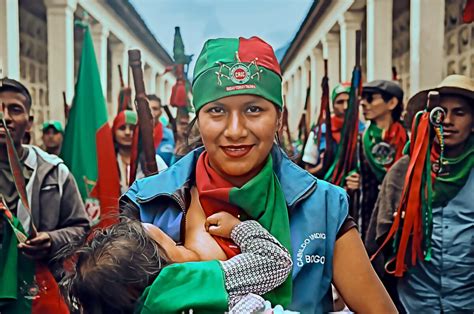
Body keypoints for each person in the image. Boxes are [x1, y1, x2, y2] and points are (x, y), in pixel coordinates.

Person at [121, 37, 396, 313]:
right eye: (217, 111)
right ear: (199, 118)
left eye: (254, 109)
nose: (236, 130)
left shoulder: (324, 207)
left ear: (278, 117)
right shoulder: (147, 203)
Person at [366, 74, 474, 313]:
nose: (447, 120)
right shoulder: (405, 170)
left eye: (459, 113)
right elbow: (376, 242)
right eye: (440, 112)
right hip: (413, 302)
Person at [61, 207, 293, 313]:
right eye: (173, 243)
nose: (181, 243)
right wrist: (238, 228)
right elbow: (275, 262)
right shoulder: (177, 283)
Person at [0, 78, 90, 312]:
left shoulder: (53, 171)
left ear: (29, 123)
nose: (5, 117)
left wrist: (52, 240)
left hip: (40, 293)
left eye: (15, 109)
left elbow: (81, 227)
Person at [345, 80, 407, 235]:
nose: (364, 104)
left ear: (392, 103)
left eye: (370, 98)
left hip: (399, 214)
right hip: (366, 217)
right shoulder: (358, 140)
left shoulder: (409, 140)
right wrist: (349, 184)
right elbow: (344, 175)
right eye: (362, 99)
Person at [302, 82, 365, 177]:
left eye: (349, 101)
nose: (345, 107)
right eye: (340, 102)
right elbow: (306, 172)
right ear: (333, 104)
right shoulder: (319, 133)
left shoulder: (364, 131)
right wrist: (321, 166)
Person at [112, 110, 167, 193]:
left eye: (132, 128)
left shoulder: (155, 161)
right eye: (122, 128)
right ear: (114, 132)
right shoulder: (107, 162)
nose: (127, 132)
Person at [147, 94, 175, 166]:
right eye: (147, 109)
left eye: (155, 109)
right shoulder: (134, 136)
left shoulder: (171, 136)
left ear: (160, 112)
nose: (151, 112)